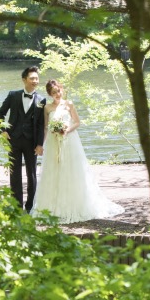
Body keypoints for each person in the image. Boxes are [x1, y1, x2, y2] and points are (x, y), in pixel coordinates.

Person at [31, 79, 124, 224]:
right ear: (50, 94)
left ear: (62, 90)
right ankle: (53, 207)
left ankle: (73, 204)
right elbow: (45, 127)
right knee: (54, 172)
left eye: (59, 90)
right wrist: (42, 144)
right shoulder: (47, 108)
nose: (57, 94)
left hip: (70, 141)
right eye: (54, 92)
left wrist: (67, 130)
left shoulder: (69, 104)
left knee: (71, 171)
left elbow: (77, 122)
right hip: (54, 143)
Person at [0, 66, 45, 212]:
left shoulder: (41, 99)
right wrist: (3, 131)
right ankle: (17, 207)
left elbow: (41, 124)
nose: (35, 81)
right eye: (32, 78)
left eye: (36, 78)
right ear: (24, 80)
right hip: (14, 140)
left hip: (32, 142)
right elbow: (0, 114)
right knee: (14, 174)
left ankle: (30, 207)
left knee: (32, 174)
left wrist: (39, 144)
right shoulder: (13, 95)